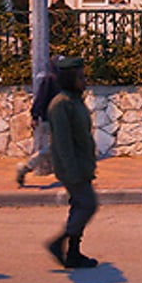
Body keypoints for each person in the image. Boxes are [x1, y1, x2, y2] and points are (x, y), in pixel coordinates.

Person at [45, 56, 101, 269]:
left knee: (80, 205)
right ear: (70, 78)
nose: (84, 80)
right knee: (88, 204)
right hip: (73, 166)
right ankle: (61, 242)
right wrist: (72, 171)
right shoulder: (61, 104)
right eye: (80, 77)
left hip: (82, 164)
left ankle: (72, 252)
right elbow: (63, 142)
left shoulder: (76, 100)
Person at [16, 57, 61, 187]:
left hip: (59, 120)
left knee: (59, 147)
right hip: (50, 120)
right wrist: (35, 116)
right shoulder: (50, 80)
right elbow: (41, 99)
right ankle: (26, 166)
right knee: (51, 148)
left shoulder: (60, 81)